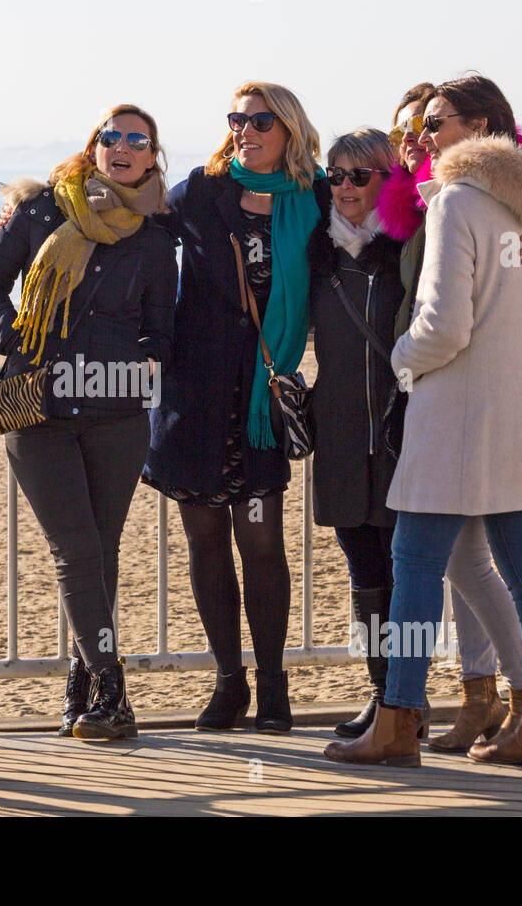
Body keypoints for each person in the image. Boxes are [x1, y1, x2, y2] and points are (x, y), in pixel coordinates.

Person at [327, 75, 522, 768]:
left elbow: (443, 325)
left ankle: (398, 722)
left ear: (481, 125)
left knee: (413, 565)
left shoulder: (456, 200)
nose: (422, 137)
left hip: (460, 415)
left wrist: (403, 361)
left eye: (436, 123)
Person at [0, 104, 177, 739]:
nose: (122, 146)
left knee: (100, 552)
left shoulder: (153, 236)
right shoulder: (41, 210)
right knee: (74, 549)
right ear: (95, 146)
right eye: (111, 135)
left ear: (150, 159)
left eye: (137, 140)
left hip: (115, 414)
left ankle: (82, 685)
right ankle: (114, 693)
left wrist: (133, 361)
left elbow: (161, 332)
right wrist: (13, 338)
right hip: (39, 406)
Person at [143, 82, 328, 734]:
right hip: (192, 395)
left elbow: (373, 244)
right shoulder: (200, 191)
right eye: (236, 119)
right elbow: (127, 226)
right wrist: (27, 215)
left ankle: (274, 682)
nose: (245, 129)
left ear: (289, 130)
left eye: (259, 120)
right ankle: (230, 682)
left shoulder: (317, 199)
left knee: (262, 542)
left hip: (260, 399)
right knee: (206, 543)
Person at [304, 128, 434, 740]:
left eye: (361, 175)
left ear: (388, 179)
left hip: (399, 431)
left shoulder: (410, 251)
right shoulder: (316, 251)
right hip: (336, 429)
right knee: (363, 573)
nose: (347, 187)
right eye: (336, 175)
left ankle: (406, 700)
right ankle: (381, 695)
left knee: (403, 569)